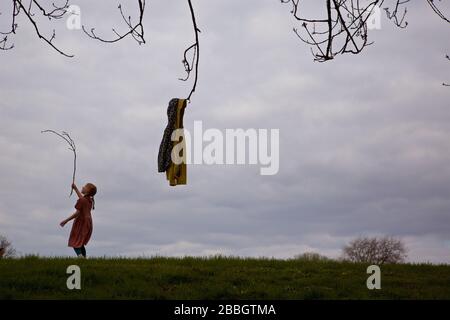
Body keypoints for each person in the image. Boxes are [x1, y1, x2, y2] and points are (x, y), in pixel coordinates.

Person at [60, 182, 97, 258]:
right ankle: (84, 259)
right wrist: (75, 188)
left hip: (81, 223)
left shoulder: (82, 201)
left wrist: (66, 220)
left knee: (75, 241)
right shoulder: (89, 200)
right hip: (88, 223)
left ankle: (80, 257)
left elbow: (77, 213)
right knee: (81, 242)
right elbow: (82, 199)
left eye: (85, 187)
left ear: (87, 191)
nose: (83, 187)